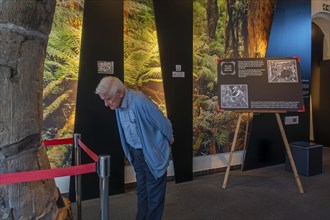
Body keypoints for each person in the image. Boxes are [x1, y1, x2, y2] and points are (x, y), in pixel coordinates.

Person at [95, 76, 174, 220]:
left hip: (152, 153)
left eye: (108, 99)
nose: (106, 104)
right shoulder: (118, 104)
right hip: (137, 153)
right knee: (142, 191)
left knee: (154, 194)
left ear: (120, 92)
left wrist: (170, 137)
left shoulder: (139, 101)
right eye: (104, 100)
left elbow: (162, 121)